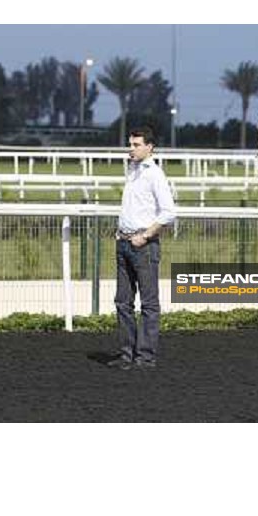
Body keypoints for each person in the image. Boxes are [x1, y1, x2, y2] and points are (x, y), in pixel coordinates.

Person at [107, 127, 177, 370]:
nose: (131, 148)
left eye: (136, 144)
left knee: (148, 304)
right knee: (122, 302)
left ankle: (145, 357)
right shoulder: (133, 169)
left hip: (143, 246)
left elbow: (168, 213)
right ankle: (127, 355)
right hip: (123, 242)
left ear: (150, 147)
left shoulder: (154, 174)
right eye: (131, 144)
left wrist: (146, 235)